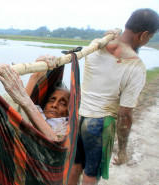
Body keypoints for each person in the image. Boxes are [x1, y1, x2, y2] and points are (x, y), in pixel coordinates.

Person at [68, 8, 159, 185]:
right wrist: (123, 150)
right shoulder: (136, 66)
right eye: (150, 37)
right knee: (91, 174)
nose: (148, 41)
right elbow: (124, 114)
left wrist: (114, 31)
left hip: (78, 116)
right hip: (100, 123)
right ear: (144, 34)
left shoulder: (97, 44)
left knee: (75, 166)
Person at [0, 56, 70, 141]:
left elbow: (55, 141)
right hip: (15, 136)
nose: (54, 105)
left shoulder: (65, 126)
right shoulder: (37, 110)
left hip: (36, 146)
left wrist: (26, 103)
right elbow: (19, 105)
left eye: (63, 103)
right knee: (8, 100)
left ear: (69, 110)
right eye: (52, 100)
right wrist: (35, 76)